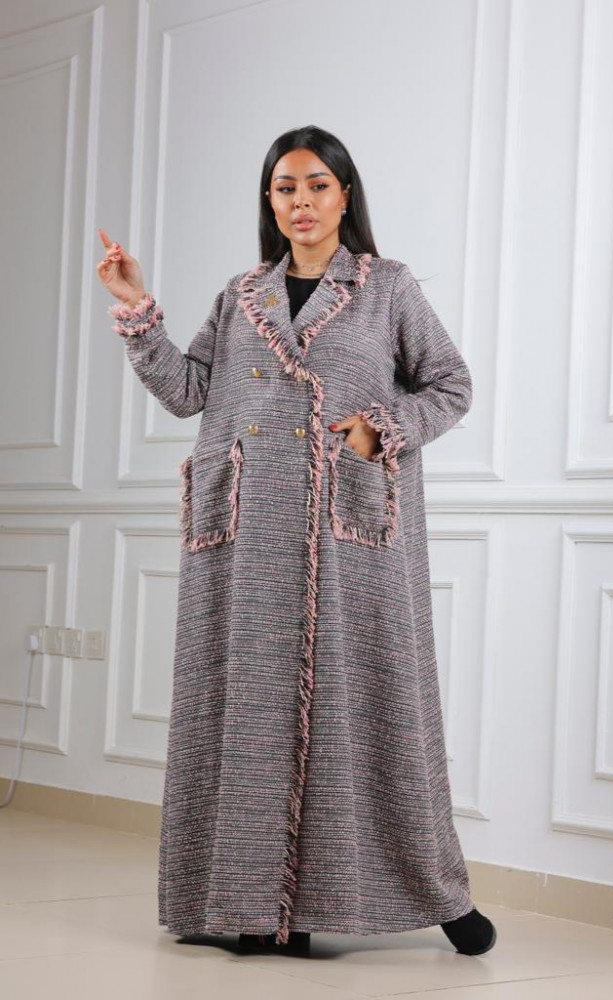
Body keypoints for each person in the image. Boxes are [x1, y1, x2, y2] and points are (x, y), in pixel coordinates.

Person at [96, 124, 497, 959]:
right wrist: (137, 309)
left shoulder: (386, 288)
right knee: (245, 711)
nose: (302, 201)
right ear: (270, 202)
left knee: (371, 705)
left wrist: (380, 429)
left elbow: (451, 385)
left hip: (351, 538)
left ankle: (433, 893)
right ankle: (252, 907)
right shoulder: (243, 294)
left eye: (317, 184)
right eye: (286, 188)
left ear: (345, 195)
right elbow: (189, 391)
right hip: (246, 538)